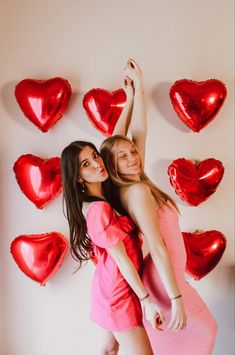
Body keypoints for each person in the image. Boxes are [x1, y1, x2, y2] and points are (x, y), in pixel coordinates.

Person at [100, 59, 217, 354]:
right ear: (112, 166)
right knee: (203, 331)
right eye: (123, 157)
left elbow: (136, 132)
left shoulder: (136, 181)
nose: (133, 156)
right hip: (163, 277)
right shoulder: (135, 190)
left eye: (133, 152)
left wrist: (135, 94)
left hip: (167, 274)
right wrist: (176, 299)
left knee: (200, 333)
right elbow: (158, 246)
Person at [61, 75, 165, 355]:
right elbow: (121, 258)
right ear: (79, 179)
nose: (97, 163)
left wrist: (130, 99)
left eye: (95, 156)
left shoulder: (105, 191)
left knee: (108, 350)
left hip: (111, 286)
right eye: (87, 164)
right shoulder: (99, 208)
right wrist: (145, 299)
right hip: (118, 293)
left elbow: (116, 142)